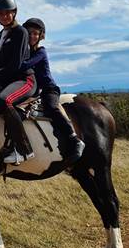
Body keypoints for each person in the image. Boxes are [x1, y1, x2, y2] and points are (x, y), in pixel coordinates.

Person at [0, 0, 37, 165]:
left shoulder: (21, 32)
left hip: (24, 80)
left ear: (14, 12)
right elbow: (0, 65)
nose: (4, 16)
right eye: (0, 14)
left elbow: (16, 64)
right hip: (7, 80)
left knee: (5, 100)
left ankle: (24, 150)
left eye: (7, 13)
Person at [20, 18, 85, 163]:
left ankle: (74, 139)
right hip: (33, 91)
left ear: (41, 36)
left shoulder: (41, 52)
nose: (32, 36)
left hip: (49, 89)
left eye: (36, 33)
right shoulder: (25, 52)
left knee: (51, 107)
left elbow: (25, 66)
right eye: (29, 33)